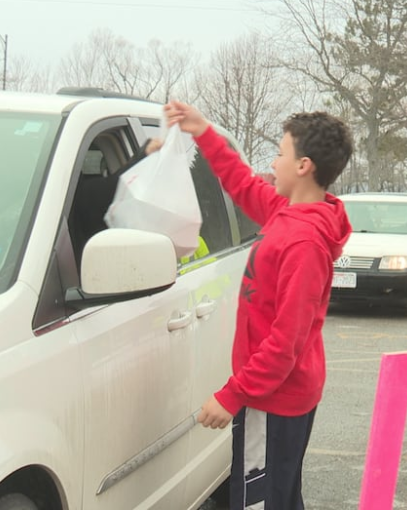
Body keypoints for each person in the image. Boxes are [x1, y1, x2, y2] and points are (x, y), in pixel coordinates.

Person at [164, 100, 353, 510]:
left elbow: (285, 343)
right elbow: (242, 183)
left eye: (280, 153)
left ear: (303, 166)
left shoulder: (304, 243)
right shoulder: (288, 212)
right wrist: (203, 131)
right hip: (277, 396)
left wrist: (233, 394)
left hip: (273, 401)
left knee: (260, 501)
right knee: (279, 499)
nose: (274, 161)